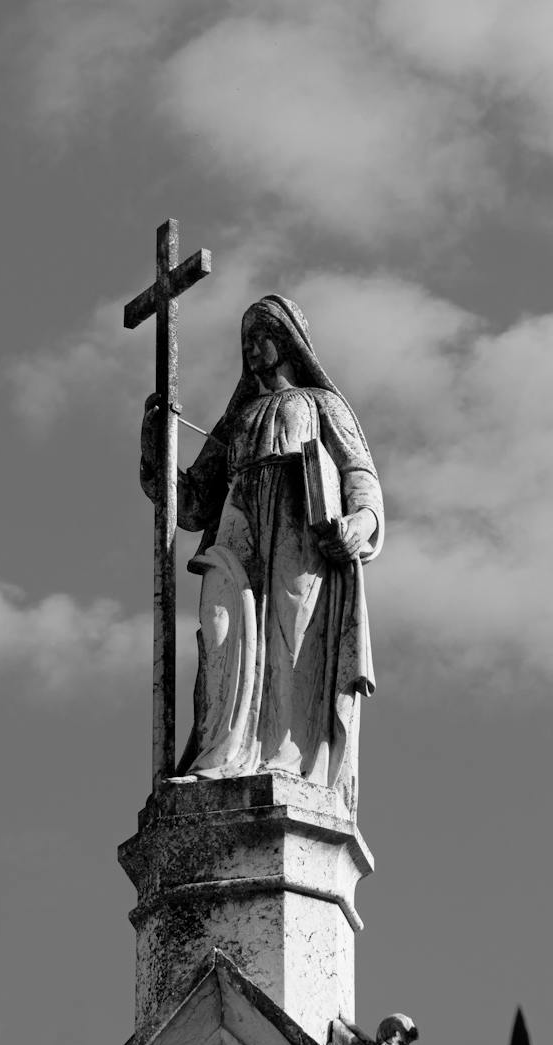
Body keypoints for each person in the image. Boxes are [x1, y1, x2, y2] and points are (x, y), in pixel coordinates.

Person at [140, 295, 383, 804]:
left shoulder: (321, 404)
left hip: (298, 536)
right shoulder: (238, 421)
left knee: (292, 646)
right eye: (245, 338)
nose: (252, 347)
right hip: (237, 532)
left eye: (262, 335)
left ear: (289, 341)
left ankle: (286, 759)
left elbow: (359, 473)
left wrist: (360, 522)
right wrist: (154, 446)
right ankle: (219, 756)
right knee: (222, 630)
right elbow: (192, 504)